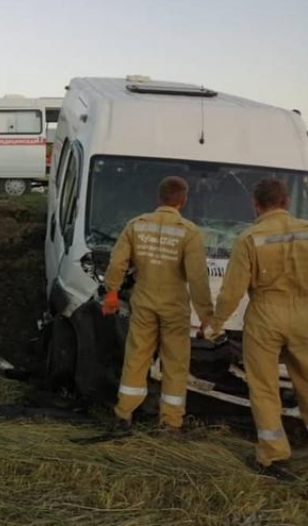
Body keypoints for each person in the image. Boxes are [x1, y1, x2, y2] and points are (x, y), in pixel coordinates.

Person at [205, 179, 308, 481]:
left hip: (265, 318)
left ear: (256, 204)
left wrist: (216, 323)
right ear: (287, 201)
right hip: (306, 316)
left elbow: (232, 290)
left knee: (264, 389)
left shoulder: (250, 238)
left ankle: (273, 455)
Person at [102, 176, 212, 431]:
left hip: (144, 303)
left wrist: (111, 294)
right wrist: (206, 315)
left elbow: (117, 263)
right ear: (183, 201)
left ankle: (124, 414)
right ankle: (171, 422)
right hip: (175, 308)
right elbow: (197, 277)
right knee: (175, 363)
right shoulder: (189, 232)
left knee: (136, 357)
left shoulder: (136, 226)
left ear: (159, 198)